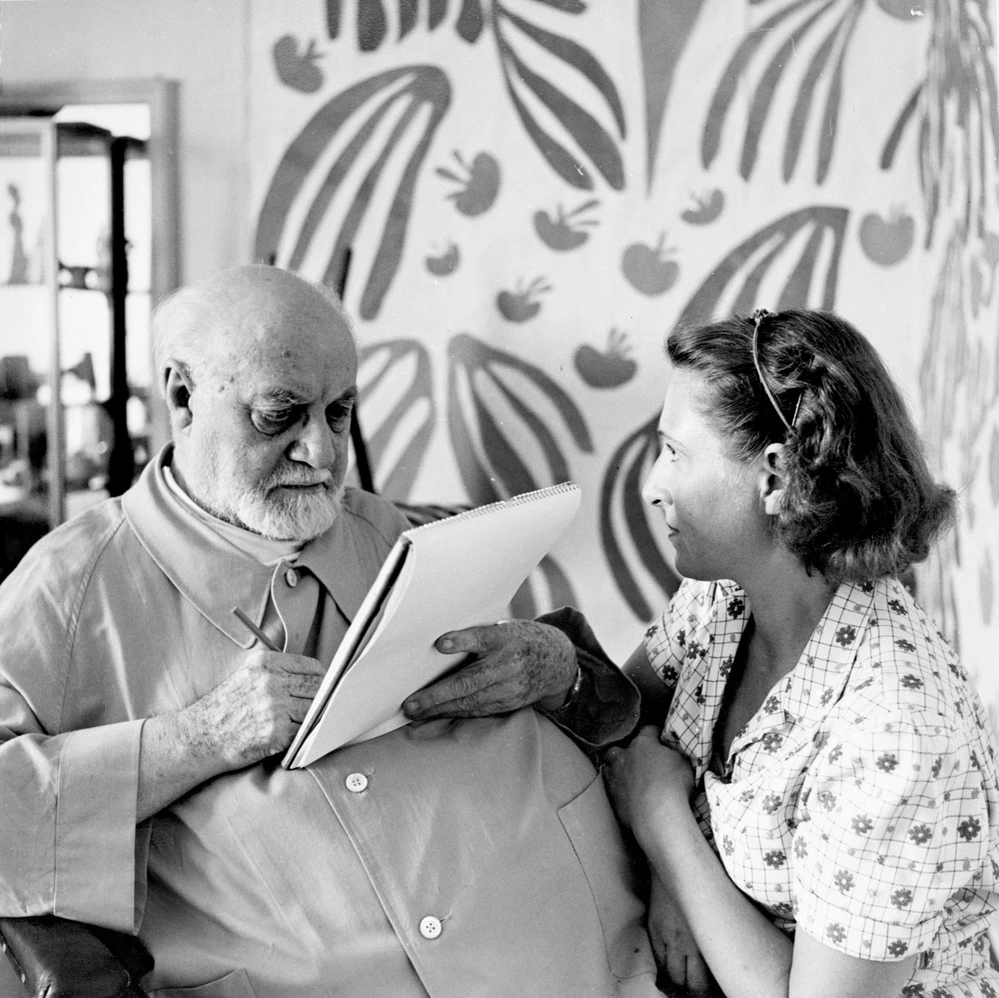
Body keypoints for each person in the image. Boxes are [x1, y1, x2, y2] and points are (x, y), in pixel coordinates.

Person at [0, 265, 659, 998]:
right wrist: (196, 739)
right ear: (182, 397)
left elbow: (603, 708)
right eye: (278, 415)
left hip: (594, 963)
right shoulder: (68, 589)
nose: (320, 453)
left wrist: (556, 665)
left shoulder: (391, 532)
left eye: (340, 412)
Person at [406, 309, 999, 998]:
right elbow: (625, 726)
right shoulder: (724, 600)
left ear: (775, 479)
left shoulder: (895, 732)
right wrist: (557, 665)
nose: (651, 485)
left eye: (674, 453)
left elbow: (649, 782)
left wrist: (664, 823)